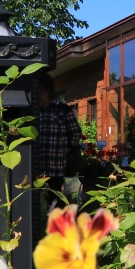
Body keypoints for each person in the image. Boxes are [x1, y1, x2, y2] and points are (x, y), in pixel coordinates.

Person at [32, 73, 83, 206]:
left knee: (54, 204)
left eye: (41, 93)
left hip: (55, 168)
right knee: (36, 205)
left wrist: (69, 147)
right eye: (36, 93)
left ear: (49, 92)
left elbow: (76, 133)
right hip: (35, 168)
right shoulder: (32, 111)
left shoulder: (62, 110)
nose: (38, 97)